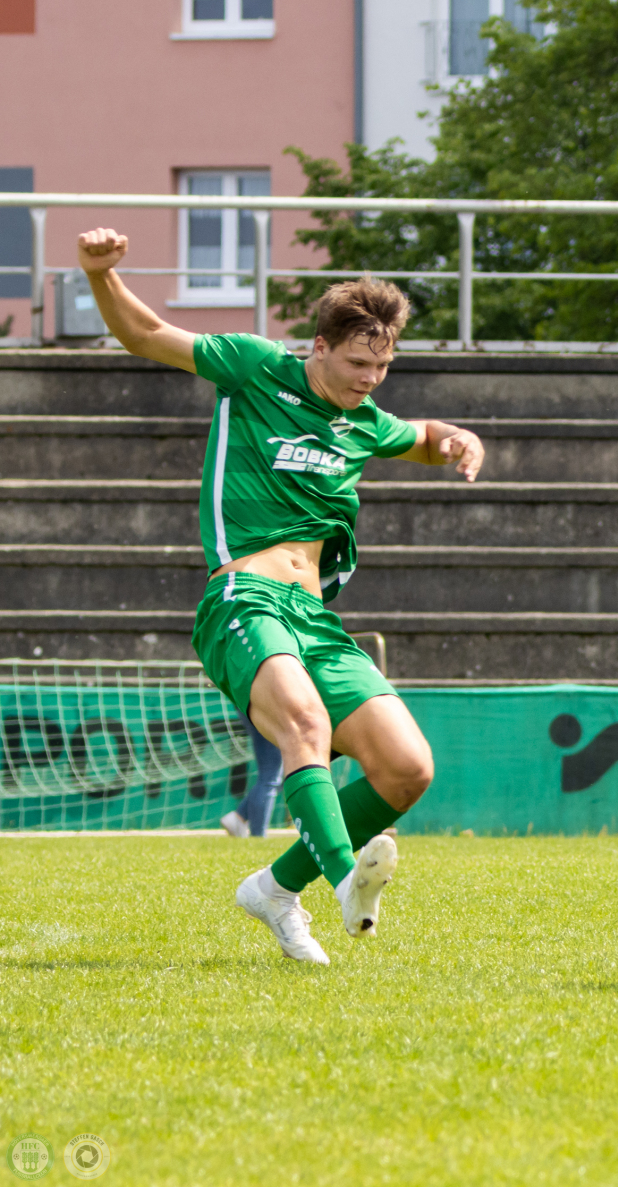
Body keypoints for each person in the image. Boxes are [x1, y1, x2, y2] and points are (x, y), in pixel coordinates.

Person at [78, 227, 485, 964]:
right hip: (244, 599)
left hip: (315, 618)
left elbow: (418, 436)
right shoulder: (256, 368)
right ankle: (345, 881)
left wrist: (456, 438)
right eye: (358, 362)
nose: (370, 378)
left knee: (407, 767)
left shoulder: (363, 421)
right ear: (318, 346)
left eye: (383, 366)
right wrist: (100, 274)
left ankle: (274, 889)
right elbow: (145, 334)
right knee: (305, 723)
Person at [220, 708, 284, 838]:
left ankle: (240, 816)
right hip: (266, 707)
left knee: (275, 775)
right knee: (270, 776)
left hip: (249, 705)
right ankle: (258, 835)